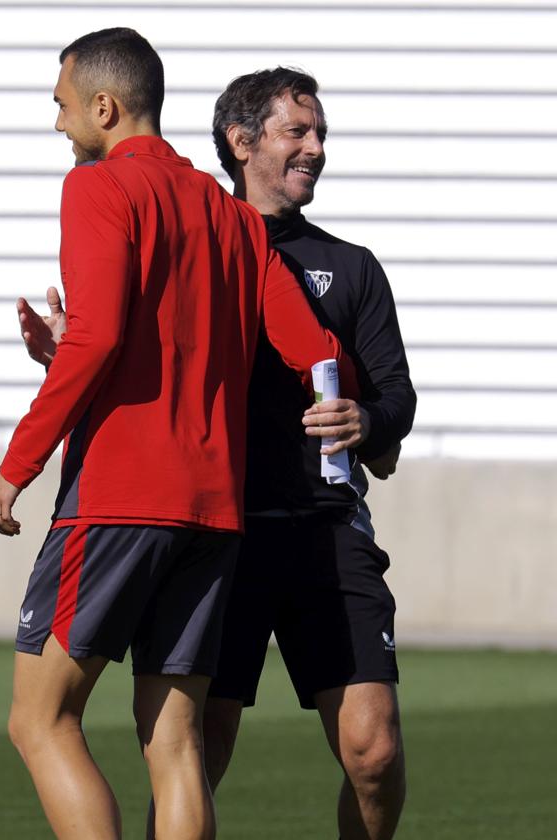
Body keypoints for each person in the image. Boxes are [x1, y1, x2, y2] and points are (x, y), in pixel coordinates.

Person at [0, 29, 358, 840]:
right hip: (214, 512)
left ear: (105, 107)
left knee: (39, 721)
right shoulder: (232, 217)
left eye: (61, 106)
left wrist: (17, 464)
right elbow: (316, 350)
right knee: (175, 740)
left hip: (118, 499)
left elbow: (99, 338)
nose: (58, 125)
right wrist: (343, 420)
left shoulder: (96, 189)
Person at [203, 68, 415, 839]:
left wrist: (367, 416)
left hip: (328, 533)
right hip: (219, 539)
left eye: (319, 133)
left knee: (374, 751)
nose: (317, 149)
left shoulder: (351, 265)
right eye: (299, 132)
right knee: (195, 757)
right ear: (242, 142)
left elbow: (399, 397)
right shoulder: (194, 247)